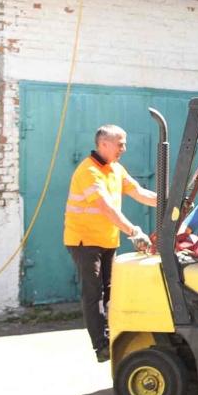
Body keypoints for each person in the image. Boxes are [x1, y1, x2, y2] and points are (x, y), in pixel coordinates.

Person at [64, 124, 157, 363]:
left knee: (111, 290)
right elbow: (105, 207)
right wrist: (133, 231)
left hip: (107, 240)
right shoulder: (88, 171)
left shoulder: (115, 168)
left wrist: (171, 202)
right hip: (85, 241)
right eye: (120, 144)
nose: (124, 148)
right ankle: (101, 346)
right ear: (103, 144)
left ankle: (112, 337)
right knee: (94, 291)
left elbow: (139, 192)